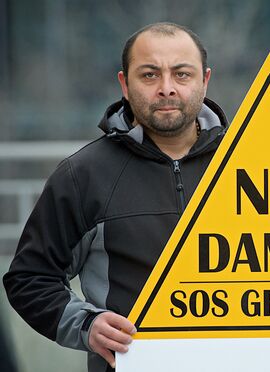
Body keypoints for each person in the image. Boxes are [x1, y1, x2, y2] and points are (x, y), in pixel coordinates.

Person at [3, 22, 228, 372]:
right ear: (124, 84)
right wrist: (87, 325)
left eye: (182, 75)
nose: (166, 88)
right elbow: (30, 278)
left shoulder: (249, 166)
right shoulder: (83, 175)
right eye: (149, 75)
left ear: (205, 80)